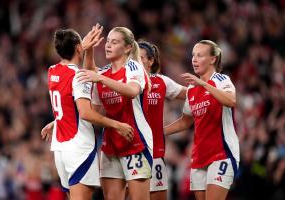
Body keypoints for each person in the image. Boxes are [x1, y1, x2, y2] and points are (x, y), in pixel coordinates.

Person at [43, 26, 134, 200]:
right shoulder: (79, 76)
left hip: (60, 148)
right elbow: (85, 113)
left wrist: (56, 122)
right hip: (79, 148)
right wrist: (117, 125)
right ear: (78, 47)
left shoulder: (52, 71)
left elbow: (67, 106)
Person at [76, 27, 153, 200]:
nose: (108, 45)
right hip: (111, 146)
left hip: (136, 142)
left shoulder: (134, 67)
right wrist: (89, 49)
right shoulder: (102, 74)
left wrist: (101, 78)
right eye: (108, 41)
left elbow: (132, 91)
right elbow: (95, 110)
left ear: (127, 48)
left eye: (115, 42)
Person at [164, 40, 239, 200]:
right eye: (193, 55)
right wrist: (160, 132)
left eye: (200, 55)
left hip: (222, 153)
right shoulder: (192, 89)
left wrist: (203, 85)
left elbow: (231, 100)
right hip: (199, 156)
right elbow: (186, 121)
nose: (194, 59)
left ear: (212, 59)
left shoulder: (221, 80)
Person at [138, 40, 187, 200]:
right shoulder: (123, 81)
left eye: (140, 57)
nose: (136, 62)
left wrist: (210, 88)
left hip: (155, 153)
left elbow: (190, 94)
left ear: (151, 61)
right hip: (130, 153)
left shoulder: (161, 82)